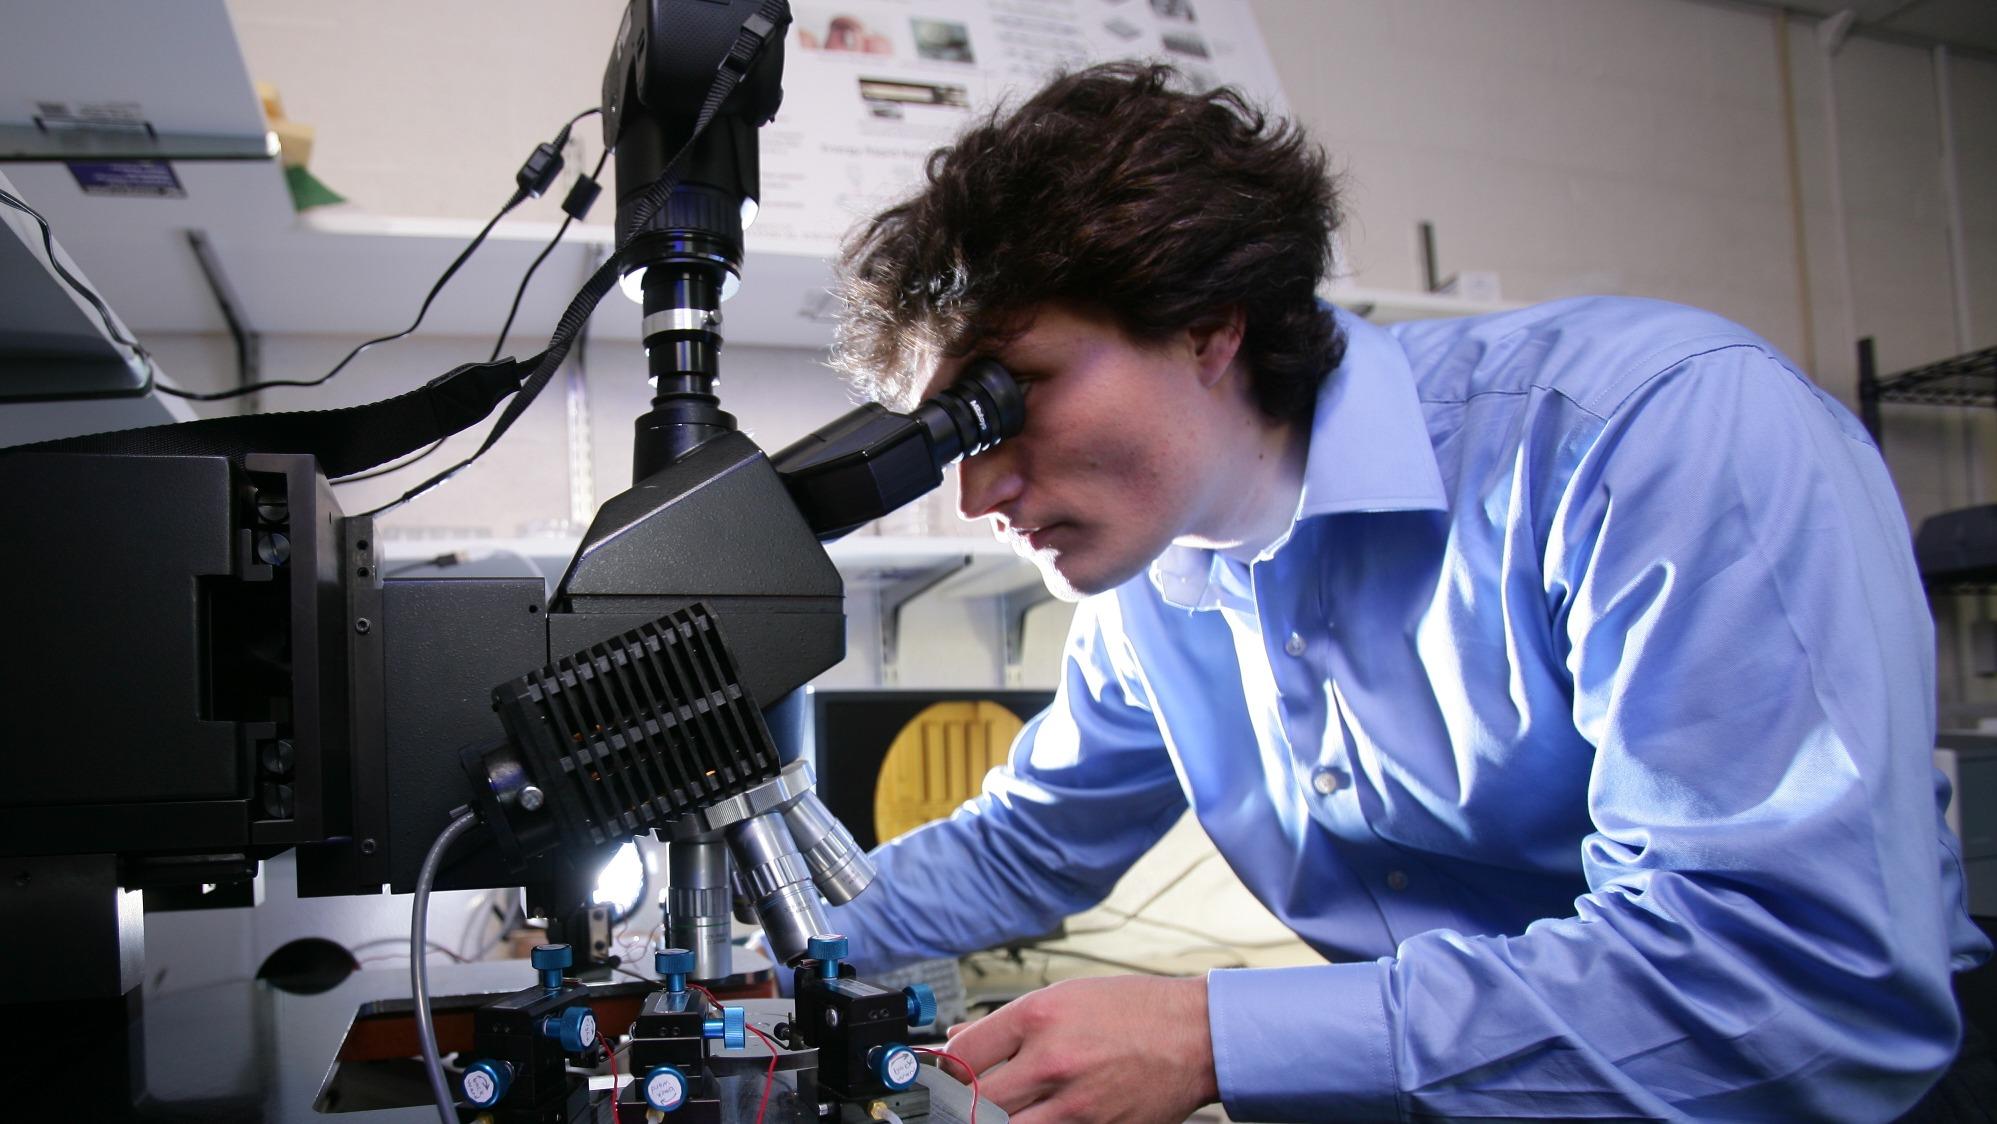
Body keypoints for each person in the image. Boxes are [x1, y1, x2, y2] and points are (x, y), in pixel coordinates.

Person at [819, 61, 1990, 1121]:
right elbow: (1025, 846)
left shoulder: (1647, 435)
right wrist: (748, 937)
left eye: (1005, 396)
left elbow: (1787, 983)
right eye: (946, 436)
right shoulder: (1153, 591)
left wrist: (1210, 1032)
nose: (973, 490)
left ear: (1203, 325)